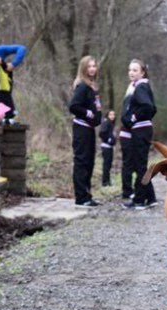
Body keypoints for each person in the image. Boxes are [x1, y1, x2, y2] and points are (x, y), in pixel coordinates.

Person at [121, 58, 158, 210]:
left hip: (141, 129)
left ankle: (139, 200)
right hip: (141, 129)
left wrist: (133, 117)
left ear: (142, 72)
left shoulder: (141, 87)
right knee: (140, 165)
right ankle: (150, 198)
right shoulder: (137, 87)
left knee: (140, 166)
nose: (131, 72)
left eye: (135, 70)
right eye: (130, 70)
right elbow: (152, 108)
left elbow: (149, 107)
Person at [68, 56, 102, 207]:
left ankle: (87, 195)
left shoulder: (91, 87)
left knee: (89, 162)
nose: (92, 69)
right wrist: (88, 113)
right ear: (83, 69)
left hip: (89, 130)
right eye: (89, 66)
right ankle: (81, 197)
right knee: (81, 161)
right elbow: (73, 106)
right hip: (81, 129)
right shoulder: (82, 86)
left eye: (94, 66)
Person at [99, 110, 117, 187]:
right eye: (110, 114)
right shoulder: (106, 122)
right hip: (106, 146)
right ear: (107, 115)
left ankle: (108, 181)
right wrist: (108, 140)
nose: (112, 116)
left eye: (114, 114)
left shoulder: (111, 124)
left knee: (109, 165)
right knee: (106, 165)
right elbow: (101, 133)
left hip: (110, 147)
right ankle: (105, 182)